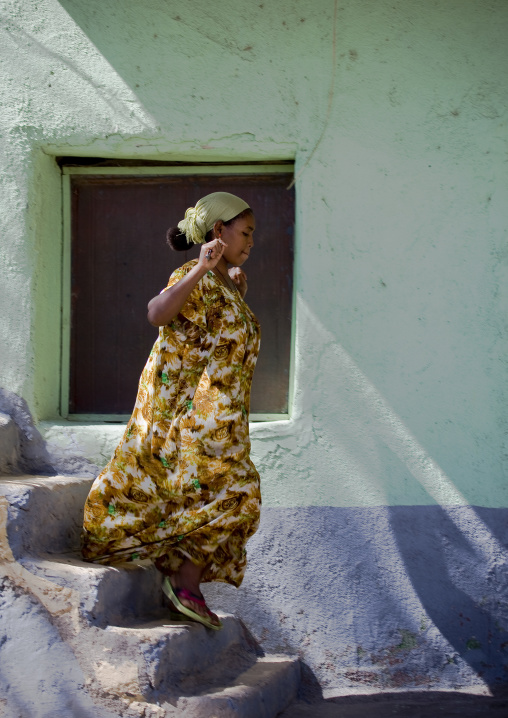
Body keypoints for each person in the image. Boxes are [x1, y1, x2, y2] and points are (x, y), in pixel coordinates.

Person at [81, 192, 261, 630]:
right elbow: (156, 313)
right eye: (246, 233)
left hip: (221, 415)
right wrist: (202, 267)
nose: (252, 242)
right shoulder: (193, 273)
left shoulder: (225, 283)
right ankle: (184, 582)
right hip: (190, 411)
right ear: (219, 231)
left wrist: (235, 291)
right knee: (237, 491)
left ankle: (185, 581)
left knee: (229, 494)